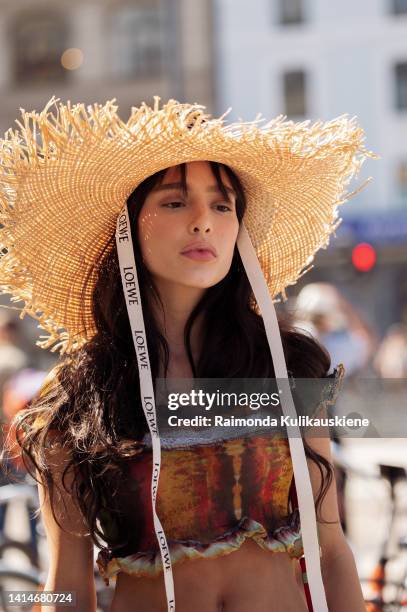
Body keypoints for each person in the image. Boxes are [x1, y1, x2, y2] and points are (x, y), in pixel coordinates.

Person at [0, 97, 374, 611]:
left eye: (223, 205)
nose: (204, 221)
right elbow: (66, 584)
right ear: (126, 226)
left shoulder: (286, 365)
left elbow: (331, 551)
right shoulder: (82, 399)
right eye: (174, 202)